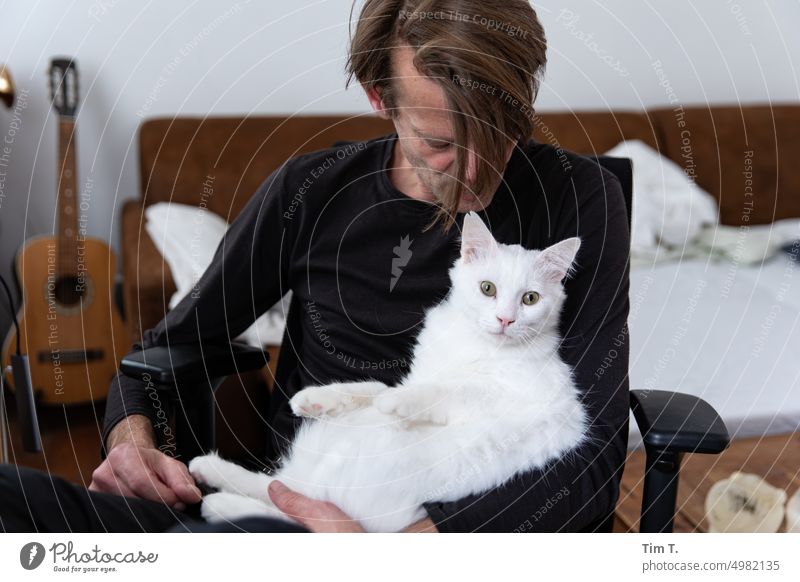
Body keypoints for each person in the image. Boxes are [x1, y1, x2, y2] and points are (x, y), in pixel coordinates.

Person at [0, 0, 630, 533]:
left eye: (498, 136)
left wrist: (402, 547)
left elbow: (594, 457)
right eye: (440, 143)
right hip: (291, 506)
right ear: (379, 98)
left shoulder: (579, 200)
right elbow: (168, 346)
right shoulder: (313, 191)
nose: (473, 173)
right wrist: (132, 441)